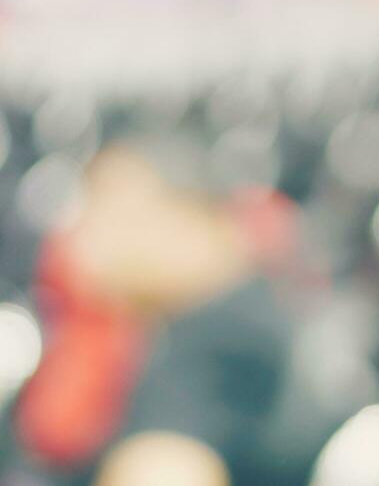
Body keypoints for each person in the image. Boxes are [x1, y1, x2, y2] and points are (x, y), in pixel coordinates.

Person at [13, 145, 299, 486]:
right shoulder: (185, 314)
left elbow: (168, 467)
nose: (88, 243)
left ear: (188, 219)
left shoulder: (222, 338)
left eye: (119, 220)